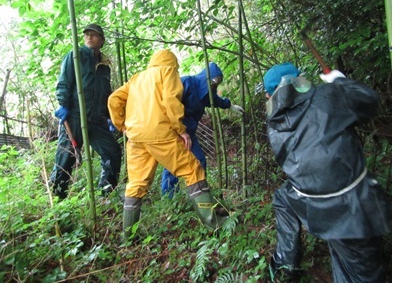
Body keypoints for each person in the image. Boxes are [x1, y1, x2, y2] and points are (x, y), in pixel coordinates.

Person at [261, 62, 391, 283]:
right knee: (362, 272)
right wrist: (340, 82)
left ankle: (285, 262)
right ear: (300, 78)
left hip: (316, 203)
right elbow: (369, 101)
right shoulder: (328, 95)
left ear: (268, 95)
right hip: (351, 206)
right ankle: (286, 262)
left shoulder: (273, 126)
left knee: (284, 197)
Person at [107, 49, 229, 240]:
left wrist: (120, 124)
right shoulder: (168, 72)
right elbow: (171, 101)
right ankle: (214, 222)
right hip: (160, 133)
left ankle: (128, 237)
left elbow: (113, 99)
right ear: (172, 63)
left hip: (136, 137)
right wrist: (181, 130)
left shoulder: (137, 78)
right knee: (192, 170)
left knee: (136, 184)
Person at [50, 23, 122, 199]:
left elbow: (105, 92)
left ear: (102, 40)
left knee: (113, 152)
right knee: (66, 158)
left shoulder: (104, 65)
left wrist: (109, 116)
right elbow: (64, 83)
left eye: (94, 35)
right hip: (75, 116)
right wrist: (63, 105)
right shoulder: (76, 55)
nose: (89, 37)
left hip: (97, 119)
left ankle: (106, 194)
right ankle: (58, 200)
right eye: (87, 34)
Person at [161, 62, 244, 198]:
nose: (214, 86)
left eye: (217, 84)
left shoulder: (207, 94)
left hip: (190, 134)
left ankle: (199, 195)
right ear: (206, 78)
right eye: (213, 82)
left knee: (199, 160)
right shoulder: (186, 82)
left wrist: (230, 105)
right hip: (175, 132)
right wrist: (177, 129)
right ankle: (169, 199)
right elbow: (169, 104)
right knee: (172, 165)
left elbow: (216, 100)